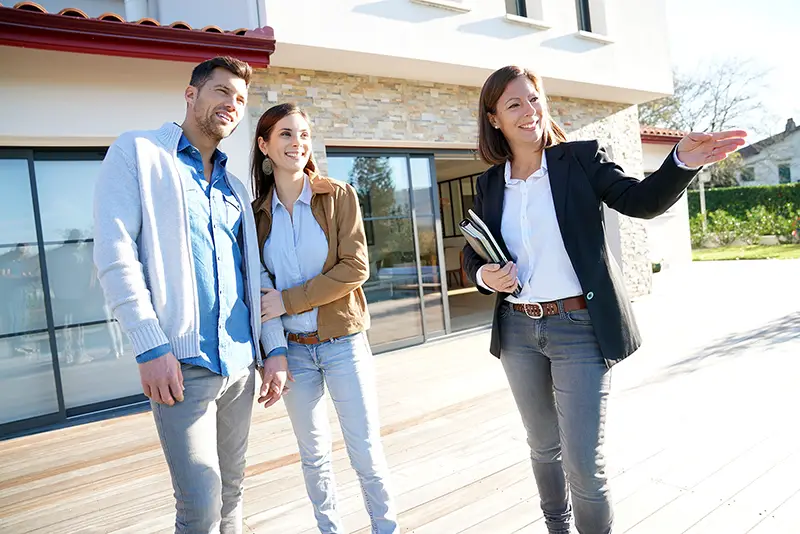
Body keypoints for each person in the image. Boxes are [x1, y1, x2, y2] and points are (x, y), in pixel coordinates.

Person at [461, 65, 746, 534]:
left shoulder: (580, 159)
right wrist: (486, 276)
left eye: (534, 98)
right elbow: (471, 251)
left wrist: (681, 162)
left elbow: (641, 200)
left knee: (582, 462)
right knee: (541, 446)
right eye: (514, 104)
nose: (529, 110)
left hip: (578, 329)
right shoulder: (492, 182)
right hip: (516, 331)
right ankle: (557, 527)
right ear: (494, 118)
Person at [93, 56, 289, 534]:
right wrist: (150, 345)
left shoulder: (235, 187)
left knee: (233, 492)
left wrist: (275, 347)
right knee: (199, 506)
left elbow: (255, 272)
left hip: (242, 366)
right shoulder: (137, 152)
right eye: (221, 91)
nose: (231, 104)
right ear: (191, 94)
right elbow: (115, 254)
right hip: (182, 367)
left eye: (240, 99)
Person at [252, 103, 398, 534]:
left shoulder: (337, 196)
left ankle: (385, 527)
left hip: (343, 345)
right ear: (264, 145)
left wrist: (290, 300)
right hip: (295, 355)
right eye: (285, 134)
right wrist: (274, 349)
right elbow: (262, 292)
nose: (297, 143)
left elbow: (355, 267)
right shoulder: (257, 215)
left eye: (303, 134)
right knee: (313, 456)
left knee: (364, 449)